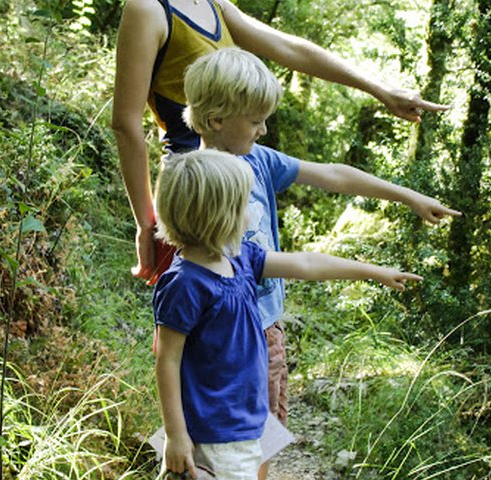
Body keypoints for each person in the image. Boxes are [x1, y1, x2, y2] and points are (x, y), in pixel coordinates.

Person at [181, 47, 461, 479]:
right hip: (217, 334)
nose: (263, 128)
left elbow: (334, 175)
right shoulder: (190, 181)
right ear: (217, 119)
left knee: (265, 433)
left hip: (265, 325)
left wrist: (408, 195)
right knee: (218, 441)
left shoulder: (260, 160)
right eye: (255, 121)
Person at [111, 0, 451, 281]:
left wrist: (380, 90)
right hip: (196, 193)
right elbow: (127, 123)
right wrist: (146, 222)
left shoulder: (215, 5)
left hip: (238, 175)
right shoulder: (148, 9)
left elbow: (289, 48)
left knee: (248, 315)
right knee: (199, 324)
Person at [153, 149, 423, 479]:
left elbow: (306, 263)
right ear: (215, 216)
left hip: (246, 422)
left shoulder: (240, 258)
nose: (250, 219)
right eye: (242, 209)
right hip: (213, 434)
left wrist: (373, 271)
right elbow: (167, 360)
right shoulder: (185, 283)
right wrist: (175, 435)